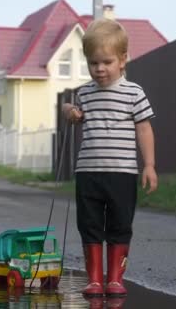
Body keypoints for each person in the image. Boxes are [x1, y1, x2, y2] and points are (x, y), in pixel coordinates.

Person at [62, 18, 158, 298]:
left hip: (122, 174)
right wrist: (70, 110)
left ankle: (114, 278)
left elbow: (144, 128)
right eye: (93, 63)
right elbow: (72, 110)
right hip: (88, 173)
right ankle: (94, 279)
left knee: (119, 225)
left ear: (123, 60)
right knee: (89, 226)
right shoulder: (86, 93)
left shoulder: (134, 92)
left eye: (106, 62)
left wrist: (149, 165)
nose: (100, 69)